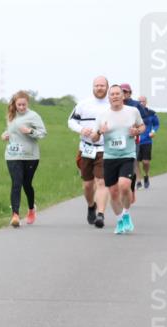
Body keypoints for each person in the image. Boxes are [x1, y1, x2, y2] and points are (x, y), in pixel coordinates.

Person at [96, 85, 145, 234]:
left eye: (118, 94)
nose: (115, 96)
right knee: (113, 192)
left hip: (127, 155)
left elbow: (142, 126)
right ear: (109, 97)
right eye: (113, 94)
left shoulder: (132, 111)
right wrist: (99, 131)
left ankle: (126, 213)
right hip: (110, 157)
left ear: (123, 96)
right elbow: (94, 136)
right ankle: (120, 220)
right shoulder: (102, 115)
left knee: (124, 185)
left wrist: (137, 131)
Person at [68, 76, 111, 227]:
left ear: (107, 87)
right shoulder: (83, 104)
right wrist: (82, 129)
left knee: (101, 181)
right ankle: (91, 206)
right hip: (86, 148)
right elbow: (71, 121)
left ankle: (101, 214)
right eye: (96, 85)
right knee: (88, 185)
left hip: (105, 149)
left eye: (102, 86)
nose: (99, 88)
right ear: (93, 87)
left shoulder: (112, 105)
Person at [2, 90, 47, 227]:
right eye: (19, 105)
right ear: (15, 104)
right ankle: (15, 215)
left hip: (30, 156)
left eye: (24, 105)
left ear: (27, 103)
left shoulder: (33, 116)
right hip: (13, 155)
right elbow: (10, 131)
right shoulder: (11, 116)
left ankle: (31, 209)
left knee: (26, 184)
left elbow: (43, 133)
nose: (21, 107)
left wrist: (30, 131)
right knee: (16, 182)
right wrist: (4, 135)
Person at [135, 95, 160, 188]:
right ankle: (138, 180)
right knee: (136, 161)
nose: (141, 103)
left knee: (146, 162)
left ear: (146, 102)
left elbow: (156, 124)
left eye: (143, 101)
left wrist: (153, 131)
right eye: (140, 101)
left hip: (147, 141)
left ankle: (146, 175)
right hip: (135, 141)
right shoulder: (134, 112)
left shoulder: (151, 113)